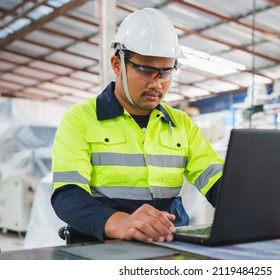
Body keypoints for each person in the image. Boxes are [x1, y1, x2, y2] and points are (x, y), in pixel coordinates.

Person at [51, 8, 224, 244]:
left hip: (168, 246)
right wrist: (119, 222)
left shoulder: (181, 124)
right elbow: (67, 195)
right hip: (102, 249)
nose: (158, 83)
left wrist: (251, 202)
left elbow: (217, 182)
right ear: (117, 64)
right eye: (146, 70)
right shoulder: (80, 119)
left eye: (165, 72)